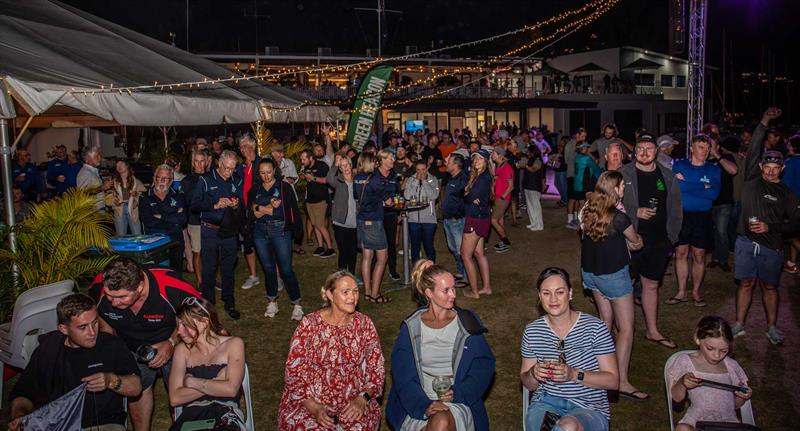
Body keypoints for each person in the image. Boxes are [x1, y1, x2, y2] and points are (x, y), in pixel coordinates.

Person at [88, 258, 201, 431]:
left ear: (140, 287)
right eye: (109, 295)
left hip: (174, 343)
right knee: (137, 389)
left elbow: (198, 319)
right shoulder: (99, 288)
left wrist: (171, 342)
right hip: (130, 347)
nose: (113, 302)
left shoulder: (172, 287)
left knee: (179, 393)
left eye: (121, 297)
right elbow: (98, 313)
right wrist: (111, 340)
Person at [7, 294, 142, 431]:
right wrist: (20, 416)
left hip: (102, 423)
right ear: (63, 329)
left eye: (95, 322)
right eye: (83, 327)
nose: (92, 332)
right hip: (56, 423)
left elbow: (136, 387)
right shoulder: (49, 349)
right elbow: (23, 394)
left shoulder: (111, 345)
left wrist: (111, 380)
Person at [386, 264, 495, 431]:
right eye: (446, 290)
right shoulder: (412, 327)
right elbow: (403, 375)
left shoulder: (466, 323)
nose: (453, 294)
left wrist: (459, 392)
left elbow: (484, 365)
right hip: (418, 400)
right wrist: (423, 405)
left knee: (441, 421)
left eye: (453, 288)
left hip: (456, 400)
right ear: (429, 293)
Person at [278, 271, 385, 430]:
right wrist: (315, 408)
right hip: (310, 401)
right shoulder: (309, 325)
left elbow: (377, 369)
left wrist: (362, 398)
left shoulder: (364, 324)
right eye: (345, 292)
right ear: (329, 294)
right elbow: (294, 373)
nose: (352, 297)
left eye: (355, 291)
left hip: (353, 401)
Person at [732, 108, 800, 345]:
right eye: (767, 167)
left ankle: (771, 327)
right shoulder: (752, 179)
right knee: (745, 283)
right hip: (745, 243)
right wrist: (764, 121)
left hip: (771, 246)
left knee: (770, 287)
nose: (770, 171)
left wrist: (770, 227)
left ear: (782, 168)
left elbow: (795, 223)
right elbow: (754, 147)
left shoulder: (788, 194)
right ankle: (739, 324)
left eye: (775, 168)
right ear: (761, 166)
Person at [520, 267, 619, 431]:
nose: (553, 299)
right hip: (546, 403)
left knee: (568, 427)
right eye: (546, 293)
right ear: (539, 296)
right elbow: (529, 385)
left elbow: (613, 381)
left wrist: (574, 374)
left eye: (560, 292)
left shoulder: (595, 328)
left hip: (589, 406)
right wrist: (532, 374)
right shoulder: (532, 331)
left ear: (570, 294)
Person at [579, 171, 646, 400]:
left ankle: (598, 369)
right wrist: (638, 242)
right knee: (626, 327)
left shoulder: (587, 211)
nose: (624, 190)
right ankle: (621, 381)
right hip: (613, 276)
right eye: (621, 187)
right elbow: (635, 243)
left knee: (605, 321)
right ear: (614, 189)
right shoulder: (619, 217)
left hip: (591, 274)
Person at [620, 132, 682, 349]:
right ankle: (624, 330)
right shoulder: (622, 174)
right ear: (634, 152)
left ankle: (652, 331)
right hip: (629, 240)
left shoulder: (667, 176)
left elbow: (675, 210)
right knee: (625, 286)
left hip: (658, 241)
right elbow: (609, 206)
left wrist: (671, 239)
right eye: (640, 149)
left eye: (649, 148)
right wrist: (635, 211)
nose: (644, 153)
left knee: (652, 285)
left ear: (656, 151)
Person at [168, 297, 247, 430]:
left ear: (204, 322)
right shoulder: (182, 350)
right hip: (191, 416)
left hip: (224, 412)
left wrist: (191, 382)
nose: (179, 332)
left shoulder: (233, 344)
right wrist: (216, 381)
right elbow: (175, 398)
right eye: (178, 325)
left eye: (185, 325)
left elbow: (231, 390)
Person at [668, 316, 753, 430]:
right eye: (710, 348)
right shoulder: (686, 361)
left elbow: (735, 405)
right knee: (682, 429)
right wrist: (682, 382)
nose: (717, 355)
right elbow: (676, 397)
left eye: (724, 350)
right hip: (697, 422)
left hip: (727, 424)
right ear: (697, 338)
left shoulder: (731, 366)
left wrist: (742, 396)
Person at [667, 135, 721, 308]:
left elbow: (713, 194)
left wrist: (688, 184)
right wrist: (701, 186)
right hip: (681, 215)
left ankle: (696, 292)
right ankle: (681, 291)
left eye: (707, 148)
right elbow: (676, 187)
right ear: (691, 148)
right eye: (700, 147)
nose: (704, 151)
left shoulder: (713, 169)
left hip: (702, 217)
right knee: (681, 253)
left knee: (699, 255)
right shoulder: (680, 165)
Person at [191, 150, 243, 320]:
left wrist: (235, 205)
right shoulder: (205, 180)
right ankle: (208, 305)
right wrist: (214, 205)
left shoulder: (236, 179)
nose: (229, 171)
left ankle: (229, 303)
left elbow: (241, 202)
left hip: (229, 231)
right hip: (210, 230)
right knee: (209, 270)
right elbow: (195, 205)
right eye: (227, 168)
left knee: (228, 269)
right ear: (219, 164)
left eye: (232, 168)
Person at [249, 158, 304, 320]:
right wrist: (267, 206)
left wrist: (260, 207)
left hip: (279, 230)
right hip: (260, 231)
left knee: (286, 269)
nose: (266, 176)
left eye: (269, 172)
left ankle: (297, 303)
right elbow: (253, 212)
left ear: (275, 170)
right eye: (262, 173)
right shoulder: (255, 188)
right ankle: (272, 301)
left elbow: (281, 213)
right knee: (268, 268)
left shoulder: (283, 187)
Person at [354, 151, 397, 303]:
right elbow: (388, 201)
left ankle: (367, 292)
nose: (376, 164)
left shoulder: (357, 178)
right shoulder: (375, 180)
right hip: (374, 220)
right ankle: (375, 294)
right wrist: (387, 201)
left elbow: (356, 196)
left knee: (367, 257)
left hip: (361, 219)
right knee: (382, 257)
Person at [139, 164, 187, 272]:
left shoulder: (179, 195)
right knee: (156, 274)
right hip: (153, 241)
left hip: (175, 240)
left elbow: (182, 219)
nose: (161, 181)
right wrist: (173, 215)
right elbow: (148, 221)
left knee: (175, 274)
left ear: (171, 181)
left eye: (165, 178)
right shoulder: (144, 197)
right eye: (159, 177)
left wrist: (160, 216)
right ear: (154, 178)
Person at [461, 150, 493, 298]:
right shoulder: (477, 176)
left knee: (465, 255)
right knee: (479, 253)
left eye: (481, 159)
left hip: (476, 217)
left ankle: (474, 291)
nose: (477, 161)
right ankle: (486, 287)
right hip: (481, 216)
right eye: (475, 158)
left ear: (486, 161)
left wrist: (467, 195)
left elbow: (470, 195)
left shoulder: (483, 178)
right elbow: (468, 194)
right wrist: (468, 195)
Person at [707, 136, 740, 272]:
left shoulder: (726, 158)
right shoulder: (704, 161)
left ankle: (724, 260)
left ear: (718, 146)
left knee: (722, 231)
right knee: (713, 231)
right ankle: (715, 258)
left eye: (712, 144)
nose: (709, 147)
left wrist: (717, 155)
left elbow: (733, 170)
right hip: (709, 202)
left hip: (724, 202)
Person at [236, 135, 262, 291]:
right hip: (244, 212)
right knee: (248, 245)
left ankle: (276, 276)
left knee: (266, 245)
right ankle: (253, 276)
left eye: (245, 145)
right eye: (241, 147)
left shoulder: (262, 164)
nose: (243, 149)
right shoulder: (240, 168)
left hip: (259, 212)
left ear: (253, 146)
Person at [299, 149, 335, 258]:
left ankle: (330, 248)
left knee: (320, 225)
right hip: (310, 200)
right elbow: (304, 178)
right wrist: (302, 176)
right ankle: (320, 247)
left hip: (321, 200)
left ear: (311, 158)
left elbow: (327, 180)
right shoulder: (306, 166)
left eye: (304, 159)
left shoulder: (322, 166)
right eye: (301, 159)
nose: (302, 161)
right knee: (315, 224)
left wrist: (313, 178)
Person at [327, 153, 360, 275]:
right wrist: (335, 165)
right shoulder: (338, 180)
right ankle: (341, 275)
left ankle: (351, 274)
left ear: (351, 165)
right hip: (340, 222)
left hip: (355, 222)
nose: (345, 168)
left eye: (347, 165)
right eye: (342, 166)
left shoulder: (357, 179)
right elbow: (329, 178)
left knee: (353, 251)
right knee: (343, 251)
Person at [181, 149, 209, 285]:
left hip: (211, 221)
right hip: (195, 222)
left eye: (201, 161)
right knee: (197, 252)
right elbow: (187, 202)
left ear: (206, 162)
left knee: (210, 253)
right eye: (196, 161)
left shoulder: (211, 177)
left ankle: (209, 278)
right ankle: (200, 281)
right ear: (193, 163)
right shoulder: (186, 181)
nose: (199, 164)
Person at [404, 159, 440, 263]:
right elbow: (407, 196)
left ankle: (431, 270)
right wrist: (415, 182)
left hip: (429, 220)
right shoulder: (411, 179)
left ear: (426, 169)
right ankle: (416, 272)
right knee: (415, 247)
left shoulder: (433, 179)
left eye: (423, 169)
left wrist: (424, 182)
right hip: (413, 219)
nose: (421, 172)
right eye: (418, 170)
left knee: (429, 246)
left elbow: (434, 195)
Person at [441, 154, 468, 281]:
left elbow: (467, 198)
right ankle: (460, 272)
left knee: (461, 250)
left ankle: (467, 278)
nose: (446, 163)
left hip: (457, 221)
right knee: (454, 249)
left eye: (449, 162)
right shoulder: (452, 177)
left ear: (456, 165)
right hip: (448, 220)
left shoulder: (463, 180)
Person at [109, 159, 146, 236]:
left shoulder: (136, 181)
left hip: (133, 209)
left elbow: (143, 195)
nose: (119, 167)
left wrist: (136, 197)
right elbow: (107, 196)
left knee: (137, 235)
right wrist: (114, 201)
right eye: (117, 165)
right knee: (120, 236)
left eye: (121, 164)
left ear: (127, 166)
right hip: (119, 210)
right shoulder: (113, 182)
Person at [570, 142, 602, 227]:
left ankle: (576, 219)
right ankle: (580, 222)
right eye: (587, 147)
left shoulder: (577, 157)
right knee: (583, 204)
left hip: (576, 182)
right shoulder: (587, 158)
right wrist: (590, 154)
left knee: (577, 201)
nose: (588, 149)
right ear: (583, 149)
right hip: (582, 183)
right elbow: (596, 165)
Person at [781, 134, 800, 274]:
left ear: (793, 147)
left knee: (790, 235)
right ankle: (792, 263)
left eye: (789, 144)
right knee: (796, 233)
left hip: (793, 205)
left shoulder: (790, 163)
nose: (786, 146)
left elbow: (785, 187)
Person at [490, 146, 514, 252]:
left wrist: (502, 197)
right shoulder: (498, 165)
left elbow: (511, 186)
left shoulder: (507, 167)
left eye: (493, 153)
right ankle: (503, 241)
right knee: (500, 221)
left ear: (499, 155)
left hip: (502, 198)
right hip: (498, 197)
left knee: (493, 220)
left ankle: (505, 241)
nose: (492, 155)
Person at [565, 128, 587, 229]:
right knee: (572, 198)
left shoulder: (583, 144)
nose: (584, 138)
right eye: (582, 136)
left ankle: (576, 219)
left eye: (585, 136)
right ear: (577, 135)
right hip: (572, 175)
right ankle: (570, 221)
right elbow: (567, 160)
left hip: (580, 176)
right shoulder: (570, 145)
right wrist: (579, 152)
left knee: (579, 198)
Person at [522, 144, 545, 231]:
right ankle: (533, 223)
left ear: (532, 152)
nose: (527, 153)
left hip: (534, 185)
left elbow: (534, 169)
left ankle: (539, 224)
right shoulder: (531, 159)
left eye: (529, 151)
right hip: (528, 185)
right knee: (530, 206)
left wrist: (526, 166)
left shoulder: (538, 160)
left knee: (536, 206)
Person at [550, 137, 569, 207]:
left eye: (562, 141)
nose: (560, 142)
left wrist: (558, 159)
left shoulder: (566, 150)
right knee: (556, 184)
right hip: (557, 169)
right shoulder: (558, 149)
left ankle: (565, 200)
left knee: (563, 185)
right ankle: (563, 198)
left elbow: (565, 161)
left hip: (562, 170)